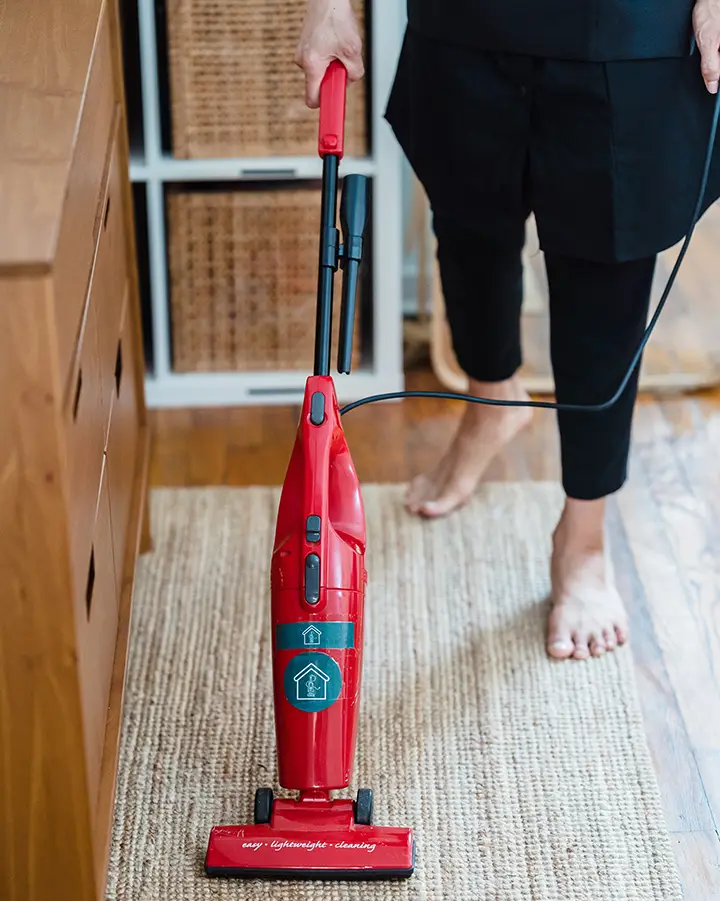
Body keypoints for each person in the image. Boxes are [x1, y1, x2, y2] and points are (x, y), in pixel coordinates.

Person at [295, 0, 720, 661]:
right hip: (466, 21)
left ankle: (583, 535)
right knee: (467, 227)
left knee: (607, 272)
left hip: (630, 24)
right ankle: (492, 399)